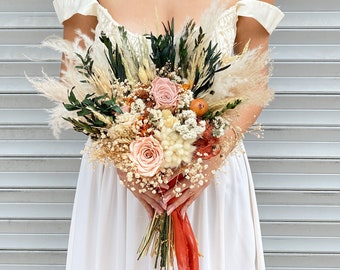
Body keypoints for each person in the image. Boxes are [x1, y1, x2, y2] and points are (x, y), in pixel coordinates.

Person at [52, 0, 284, 269]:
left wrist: (212, 159)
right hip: (120, 182)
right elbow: (73, 80)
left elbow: (254, 84)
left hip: (209, 177)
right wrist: (122, 156)